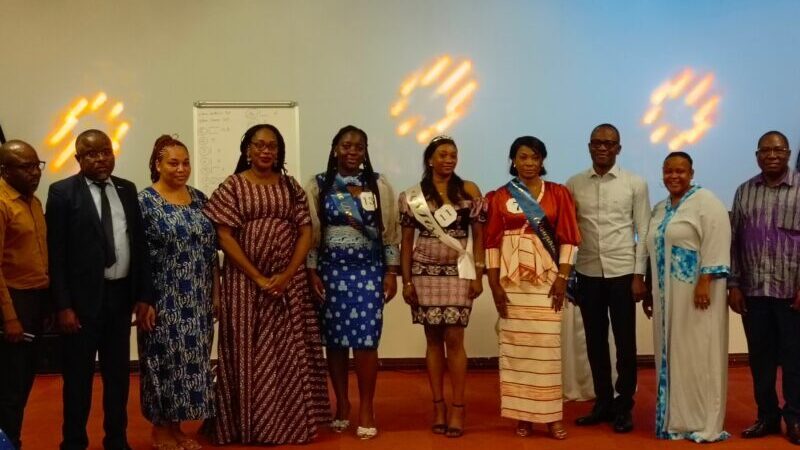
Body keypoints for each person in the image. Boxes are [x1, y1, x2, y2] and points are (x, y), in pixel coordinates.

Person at [203, 124, 329, 445]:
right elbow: (223, 235)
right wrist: (257, 276)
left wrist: (286, 275)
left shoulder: (290, 186)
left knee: (288, 353)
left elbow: (305, 231)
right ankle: (249, 425)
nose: (265, 151)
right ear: (247, 150)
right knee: (249, 351)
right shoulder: (232, 186)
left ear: (279, 152)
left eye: (272, 146)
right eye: (259, 145)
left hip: (289, 285)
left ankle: (289, 424)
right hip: (244, 284)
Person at [46, 129, 155, 450]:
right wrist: (63, 306)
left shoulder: (126, 189)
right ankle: (74, 442)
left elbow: (139, 245)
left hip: (120, 299)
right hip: (80, 305)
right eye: (91, 154)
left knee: (118, 376)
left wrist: (144, 295)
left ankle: (116, 440)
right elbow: (56, 254)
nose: (100, 159)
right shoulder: (62, 193)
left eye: (105, 151)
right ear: (78, 158)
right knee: (78, 379)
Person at [305, 125, 400, 440]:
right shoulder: (319, 185)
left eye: (359, 147)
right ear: (335, 149)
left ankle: (367, 408)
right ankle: (342, 404)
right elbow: (312, 234)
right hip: (331, 272)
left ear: (365, 151)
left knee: (366, 341)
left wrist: (391, 272)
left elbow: (389, 232)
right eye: (346, 146)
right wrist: (312, 271)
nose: (352, 151)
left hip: (369, 272)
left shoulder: (378, 185)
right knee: (334, 341)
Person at [485, 136, 580, 440]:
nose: (529, 163)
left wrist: (562, 278)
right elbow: (491, 242)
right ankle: (523, 415)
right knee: (517, 348)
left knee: (547, 350)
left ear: (542, 161)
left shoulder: (558, 193)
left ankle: (550, 416)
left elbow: (569, 238)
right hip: (512, 283)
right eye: (523, 157)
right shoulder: (499, 196)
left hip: (547, 282)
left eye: (535, 157)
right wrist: (494, 285)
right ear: (513, 160)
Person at [399, 135, 485, 438]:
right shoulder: (413, 196)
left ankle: (458, 408)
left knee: (455, 338)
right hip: (424, 272)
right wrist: (407, 281)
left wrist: (479, 274)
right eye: (443, 155)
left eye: (453, 155)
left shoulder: (469, 190)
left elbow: (479, 235)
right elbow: (406, 243)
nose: (449, 160)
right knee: (433, 339)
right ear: (430, 159)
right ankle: (438, 407)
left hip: (459, 272)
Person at [566, 123, 650, 432]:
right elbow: (570, 231)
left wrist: (639, 275)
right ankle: (602, 402)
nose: (603, 147)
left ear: (619, 148)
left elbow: (643, 230)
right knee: (595, 341)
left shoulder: (635, 183)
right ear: (589, 146)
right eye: (597, 142)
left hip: (623, 272)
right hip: (588, 271)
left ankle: (623, 405)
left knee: (626, 343)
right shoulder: (574, 184)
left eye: (609, 143)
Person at [137, 135, 218, 450]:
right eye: (173, 163)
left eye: (186, 163)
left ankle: (179, 428)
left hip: (197, 298)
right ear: (158, 164)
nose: (181, 168)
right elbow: (139, 257)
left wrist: (216, 293)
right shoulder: (144, 202)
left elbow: (212, 253)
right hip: (163, 298)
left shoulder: (199, 199)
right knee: (163, 362)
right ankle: (161, 429)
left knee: (191, 364)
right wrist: (145, 300)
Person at [644, 151, 731, 443]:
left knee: (698, 353)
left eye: (680, 171)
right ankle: (676, 420)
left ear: (691, 173)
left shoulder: (706, 202)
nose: (674, 176)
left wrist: (705, 280)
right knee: (673, 354)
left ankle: (702, 420)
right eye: (668, 171)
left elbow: (717, 241)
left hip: (696, 294)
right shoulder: (660, 208)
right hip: (666, 296)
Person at [729, 130, 800, 445]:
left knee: (795, 360)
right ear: (757, 155)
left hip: (791, 294)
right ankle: (767, 416)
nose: (772, 155)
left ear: (788, 154)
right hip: (754, 293)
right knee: (761, 361)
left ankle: (795, 418)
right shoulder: (744, 192)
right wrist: (734, 284)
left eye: (779, 150)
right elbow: (734, 241)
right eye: (765, 150)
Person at [0, 140, 48, 450]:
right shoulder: (2, 203)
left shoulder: (33, 201)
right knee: (10, 387)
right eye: (26, 167)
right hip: (12, 302)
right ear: (5, 170)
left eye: (37, 165)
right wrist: (10, 318)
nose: (34, 172)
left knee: (24, 380)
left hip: (36, 301)